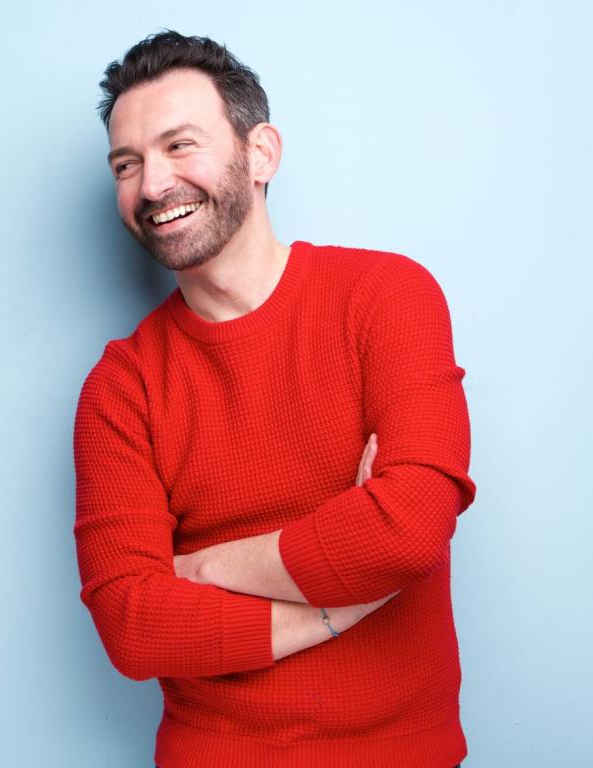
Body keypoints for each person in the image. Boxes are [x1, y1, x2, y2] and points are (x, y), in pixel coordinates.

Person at [72, 30, 475, 768]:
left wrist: (202, 568)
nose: (152, 186)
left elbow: (410, 529)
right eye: (126, 165)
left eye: (179, 145)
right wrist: (338, 605)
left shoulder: (386, 299)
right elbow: (132, 626)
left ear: (262, 154)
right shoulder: (121, 388)